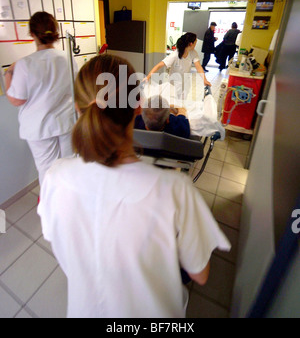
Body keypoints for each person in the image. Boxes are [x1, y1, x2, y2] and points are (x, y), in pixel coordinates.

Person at [38, 54, 230, 318]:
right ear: (138, 106)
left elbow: (60, 239)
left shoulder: (54, 177)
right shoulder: (175, 190)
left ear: (76, 107)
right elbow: (200, 272)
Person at [5, 11, 77, 185]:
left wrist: (8, 74)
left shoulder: (24, 64)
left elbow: (16, 100)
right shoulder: (67, 58)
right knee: (68, 165)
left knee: (47, 170)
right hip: (66, 123)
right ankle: (70, 204)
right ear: (55, 33)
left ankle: (52, 208)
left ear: (32, 34)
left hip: (40, 128)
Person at [146, 32, 211, 99]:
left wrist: (204, 80)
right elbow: (159, 65)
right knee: (173, 102)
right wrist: (148, 77)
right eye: (195, 42)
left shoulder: (193, 53)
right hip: (174, 83)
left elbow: (198, 67)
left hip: (185, 82)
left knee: (182, 102)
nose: (195, 44)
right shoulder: (175, 54)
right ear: (191, 44)